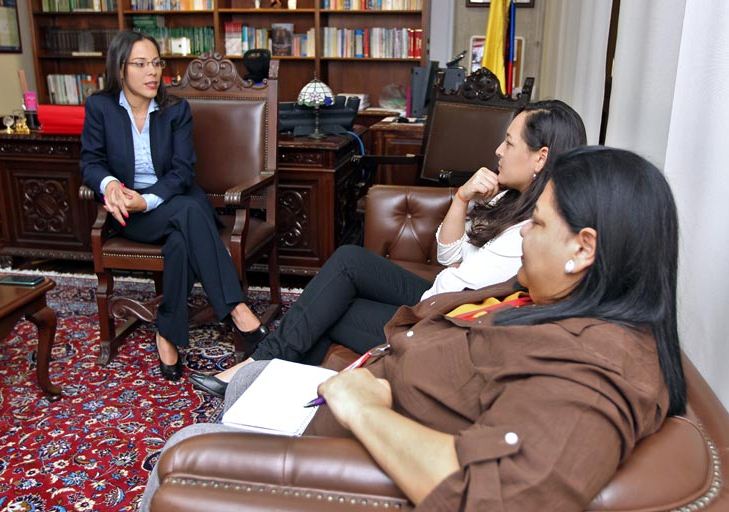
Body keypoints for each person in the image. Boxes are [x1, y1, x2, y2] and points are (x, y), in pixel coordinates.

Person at [140, 146, 686, 510]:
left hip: (349, 433)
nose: (524, 234)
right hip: (361, 385)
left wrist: (364, 408)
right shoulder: (560, 302)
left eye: (538, 223)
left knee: (180, 453)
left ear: (583, 249)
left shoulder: (594, 368)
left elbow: (498, 498)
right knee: (249, 380)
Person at [190, 99, 587, 397]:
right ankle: (263, 373)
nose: (498, 150)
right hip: (439, 296)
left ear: (540, 157)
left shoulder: (534, 231)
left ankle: (258, 372)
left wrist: (450, 275)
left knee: (328, 310)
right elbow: (449, 258)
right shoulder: (512, 199)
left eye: (509, 142)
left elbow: (456, 287)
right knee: (348, 261)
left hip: (440, 320)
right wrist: (462, 198)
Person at [80, 31, 267, 381]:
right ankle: (237, 309)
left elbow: (183, 172)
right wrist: (111, 185)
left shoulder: (175, 109)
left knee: (182, 234)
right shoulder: (100, 107)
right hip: (133, 215)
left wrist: (147, 199)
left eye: (156, 63)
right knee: (190, 215)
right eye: (141, 64)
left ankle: (167, 331)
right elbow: (91, 162)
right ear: (120, 69)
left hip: (172, 201)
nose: (152, 71)